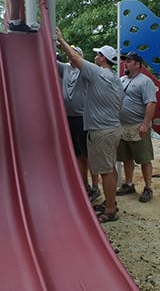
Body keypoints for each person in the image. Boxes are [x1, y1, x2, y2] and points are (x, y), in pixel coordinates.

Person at [56, 28, 124, 223]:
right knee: (109, 167)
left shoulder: (98, 74)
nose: (95, 56)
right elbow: (120, 104)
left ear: (103, 59)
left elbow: (75, 59)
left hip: (101, 130)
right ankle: (111, 201)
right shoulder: (115, 79)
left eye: (98, 54)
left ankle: (110, 209)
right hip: (111, 128)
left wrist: (62, 40)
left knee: (105, 170)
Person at [57, 46, 100, 202]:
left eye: (73, 54)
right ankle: (84, 184)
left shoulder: (85, 69)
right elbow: (51, 60)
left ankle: (95, 186)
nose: (69, 57)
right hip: (69, 117)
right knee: (77, 154)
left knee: (88, 154)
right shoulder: (66, 69)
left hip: (83, 117)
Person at [116, 52, 157, 202]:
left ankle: (148, 187)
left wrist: (145, 124)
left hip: (138, 126)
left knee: (144, 158)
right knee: (126, 158)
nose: (125, 63)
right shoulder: (121, 80)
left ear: (138, 64)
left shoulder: (145, 82)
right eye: (124, 61)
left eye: (128, 61)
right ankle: (129, 183)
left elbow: (151, 103)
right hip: (122, 126)